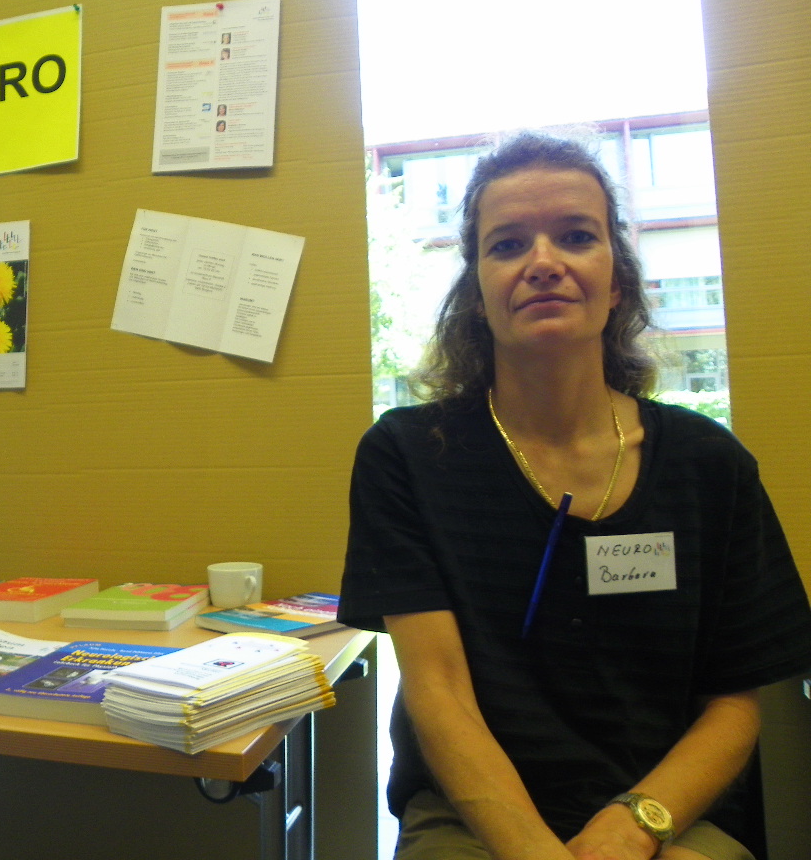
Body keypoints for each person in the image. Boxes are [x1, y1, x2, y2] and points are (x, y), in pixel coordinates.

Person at [338, 131, 811, 860]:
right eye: (507, 245)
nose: (543, 263)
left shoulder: (710, 465)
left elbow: (736, 702)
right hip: (472, 821)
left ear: (616, 279)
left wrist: (633, 826)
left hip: (669, 815)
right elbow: (439, 691)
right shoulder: (407, 456)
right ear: (477, 293)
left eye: (576, 236)